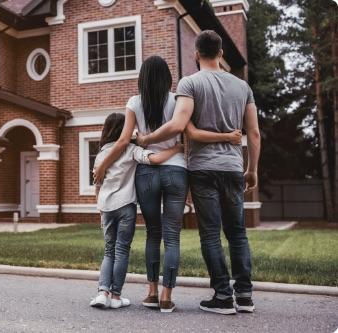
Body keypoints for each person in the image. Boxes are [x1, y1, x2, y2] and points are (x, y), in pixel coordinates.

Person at [93, 56, 242, 313]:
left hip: (147, 173)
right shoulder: (178, 100)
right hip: (176, 170)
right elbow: (189, 133)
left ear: (142, 78)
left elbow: (122, 142)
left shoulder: (134, 102)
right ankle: (166, 297)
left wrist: (104, 165)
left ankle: (150, 293)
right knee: (172, 236)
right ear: (167, 78)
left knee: (153, 233)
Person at [136, 30, 261, 315]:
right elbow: (253, 132)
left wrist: (146, 139)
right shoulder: (243, 87)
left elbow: (179, 125)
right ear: (221, 54)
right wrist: (252, 168)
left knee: (210, 235)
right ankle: (244, 295)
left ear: (195, 54)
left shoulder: (190, 83)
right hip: (232, 168)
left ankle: (222, 296)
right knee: (238, 233)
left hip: (203, 169)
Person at [90, 112, 183, 309]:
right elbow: (156, 159)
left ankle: (102, 293)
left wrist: (99, 208)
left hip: (106, 207)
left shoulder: (100, 155)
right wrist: (176, 148)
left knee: (109, 250)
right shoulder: (131, 150)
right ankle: (115, 297)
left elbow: (97, 186)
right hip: (126, 207)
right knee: (121, 250)